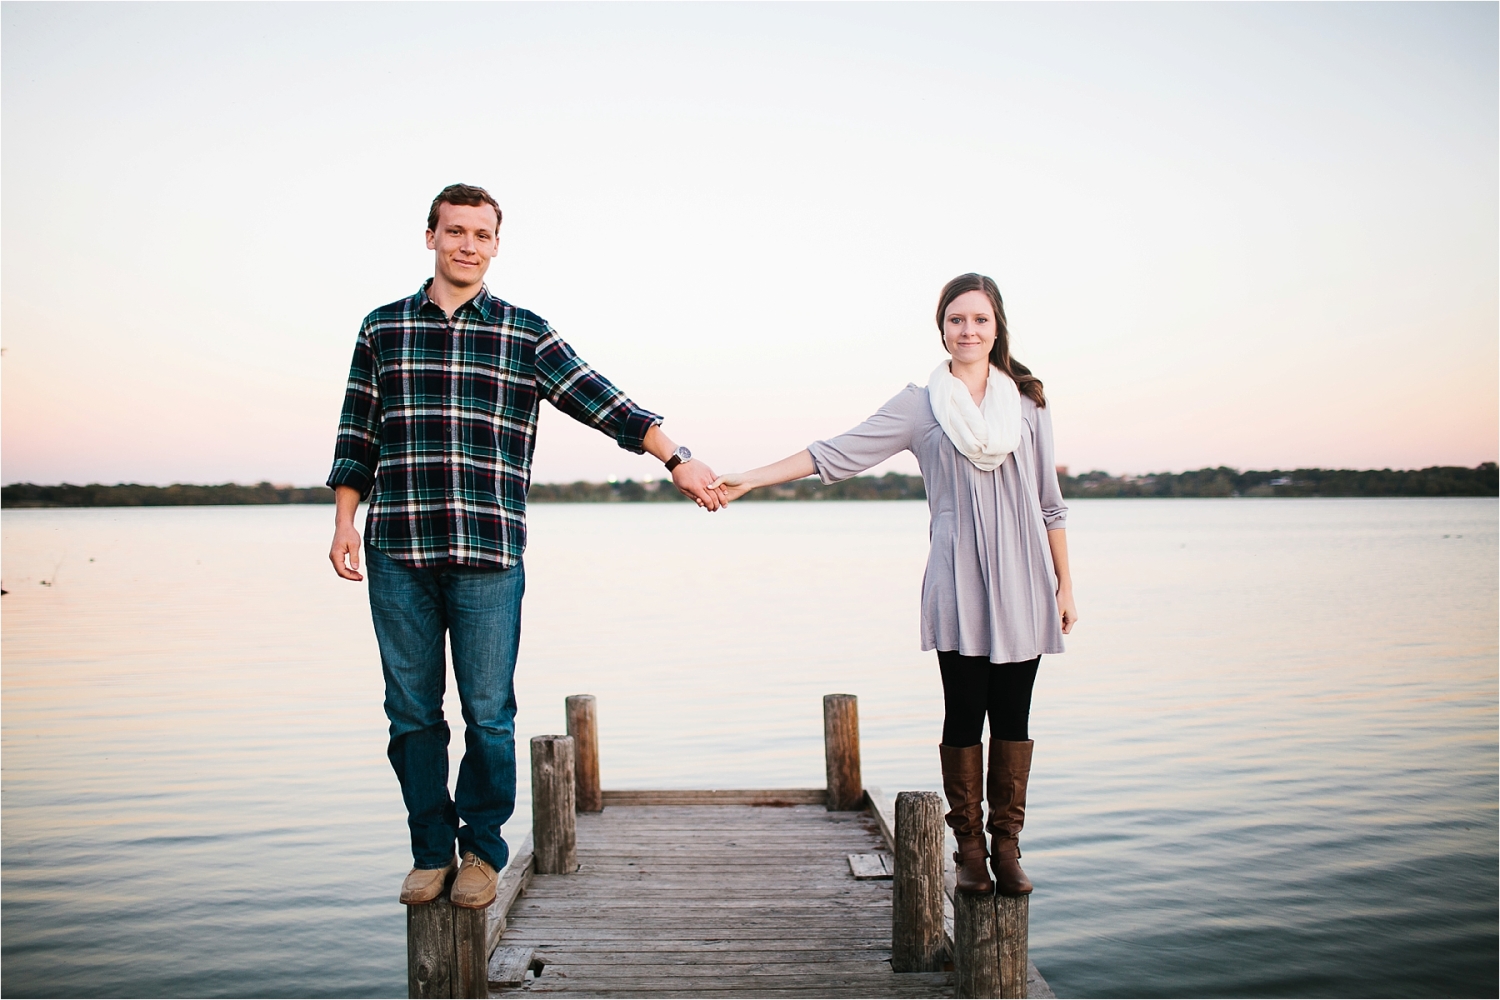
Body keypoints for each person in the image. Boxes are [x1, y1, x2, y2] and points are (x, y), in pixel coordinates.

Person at [327, 183, 724, 910]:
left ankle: (480, 851)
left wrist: (678, 458)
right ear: (431, 237)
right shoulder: (382, 328)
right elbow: (358, 434)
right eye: (456, 232)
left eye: (482, 234)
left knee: (488, 714)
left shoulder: (522, 332)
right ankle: (428, 853)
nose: (468, 245)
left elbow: (604, 401)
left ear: (496, 245)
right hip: (396, 549)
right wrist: (344, 521)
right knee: (411, 712)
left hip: (488, 552)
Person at [711, 272, 1078, 896]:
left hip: (1024, 579)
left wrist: (1065, 585)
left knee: (1013, 717)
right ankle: (967, 849)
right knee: (963, 714)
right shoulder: (920, 404)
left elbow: (1051, 504)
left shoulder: (1028, 403)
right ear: (942, 328)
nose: (968, 330)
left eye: (979, 320)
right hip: (958, 579)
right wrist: (750, 478)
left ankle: (1007, 845)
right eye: (956, 320)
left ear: (997, 328)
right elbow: (838, 451)